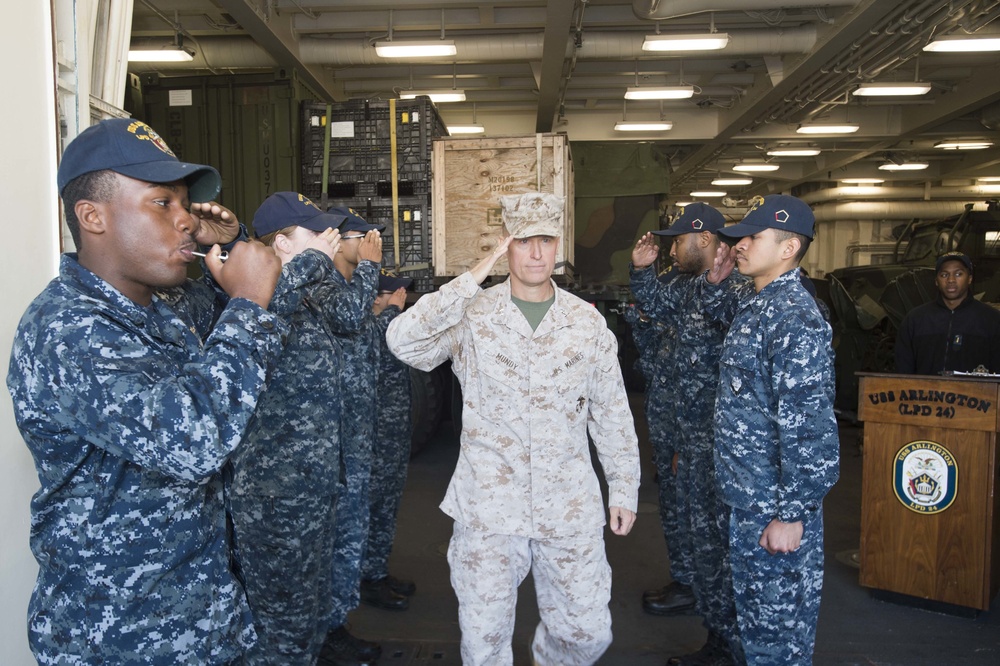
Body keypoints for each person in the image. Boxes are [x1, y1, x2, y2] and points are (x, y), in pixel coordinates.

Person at [6, 118, 287, 664]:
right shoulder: (67, 330)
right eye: (162, 204)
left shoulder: (163, 303)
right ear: (93, 217)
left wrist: (229, 250)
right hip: (120, 635)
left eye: (187, 204)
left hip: (202, 616)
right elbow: (194, 439)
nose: (185, 221)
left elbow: (236, 343)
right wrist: (249, 307)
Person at [386, 192, 641, 666]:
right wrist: (471, 279)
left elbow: (611, 411)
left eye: (546, 239)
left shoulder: (586, 323)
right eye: (524, 241)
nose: (537, 253)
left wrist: (624, 486)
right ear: (507, 245)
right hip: (488, 510)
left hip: (567, 508)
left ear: (558, 243)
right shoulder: (473, 316)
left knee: (586, 633)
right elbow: (403, 342)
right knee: (484, 642)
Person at [700, 194, 840, 665]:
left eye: (752, 237)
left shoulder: (795, 319)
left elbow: (811, 431)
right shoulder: (760, 303)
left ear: (788, 247)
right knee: (753, 627)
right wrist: (717, 279)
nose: (738, 245)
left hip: (772, 510)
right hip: (747, 499)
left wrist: (792, 513)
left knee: (777, 640)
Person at [226, 192, 349, 664]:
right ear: (281, 243)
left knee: (310, 611)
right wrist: (313, 264)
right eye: (316, 233)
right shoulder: (254, 296)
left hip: (313, 486)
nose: (329, 240)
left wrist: (317, 264)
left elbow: (351, 319)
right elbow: (263, 305)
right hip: (275, 498)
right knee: (281, 624)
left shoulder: (306, 296)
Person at [629, 202, 742, 665]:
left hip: (719, 442)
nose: (673, 247)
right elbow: (653, 305)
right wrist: (641, 271)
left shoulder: (736, 290)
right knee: (700, 538)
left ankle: (731, 642)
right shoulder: (691, 287)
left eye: (679, 240)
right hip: (686, 432)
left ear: (706, 239)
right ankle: (715, 630)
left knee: (721, 543)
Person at [318, 208, 387, 666]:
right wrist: (370, 270)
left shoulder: (352, 289)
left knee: (349, 532)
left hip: (355, 433)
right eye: (358, 236)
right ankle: (324, 634)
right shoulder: (324, 289)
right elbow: (345, 321)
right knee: (327, 539)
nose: (367, 242)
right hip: (327, 442)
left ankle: (336, 624)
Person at [622, 269, 697, 618]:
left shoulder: (714, 303)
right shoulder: (679, 308)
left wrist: (688, 441)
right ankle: (686, 582)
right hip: (670, 431)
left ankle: (696, 588)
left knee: (695, 518)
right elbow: (655, 360)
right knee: (674, 511)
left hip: (691, 437)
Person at [360, 270, 417, 611]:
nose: (400, 297)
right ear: (375, 298)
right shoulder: (368, 328)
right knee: (370, 510)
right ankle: (366, 579)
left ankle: (377, 572)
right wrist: (393, 313)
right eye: (393, 293)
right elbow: (375, 352)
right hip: (374, 440)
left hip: (394, 438)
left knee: (387, 512)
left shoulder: (390, 326)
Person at [895, 251, 1000, 374]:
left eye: (958, 274)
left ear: (970, 279)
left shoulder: (992, 320)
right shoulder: (915, 320)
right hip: (925, 393)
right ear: (936, 281)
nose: (951, 280)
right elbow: (902, 371)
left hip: (973, 393)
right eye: (944, 275)